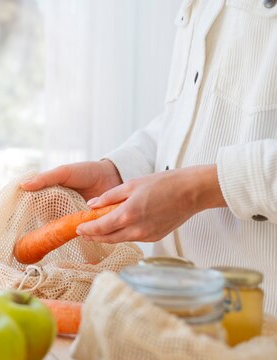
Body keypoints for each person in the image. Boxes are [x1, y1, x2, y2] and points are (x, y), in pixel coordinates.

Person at [21, 0, 277, 314]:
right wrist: (119, 172)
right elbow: (189, 117)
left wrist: (195, 190)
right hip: (173, 305)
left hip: (258, 318)